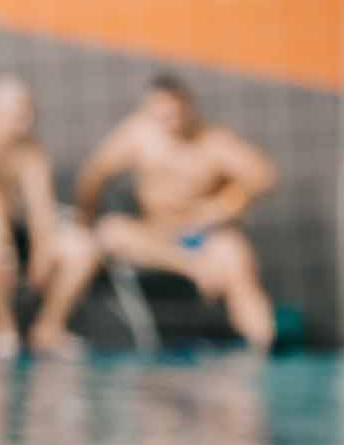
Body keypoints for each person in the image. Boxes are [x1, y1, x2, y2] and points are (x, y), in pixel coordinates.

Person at [75, 74, 277, 349]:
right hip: (159, 234)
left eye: (174, 115)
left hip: (203, 235)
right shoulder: (138, 135)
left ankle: (263, 345)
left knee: (236, 259)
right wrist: (84, 217)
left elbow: (264, 176)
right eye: (161, 116)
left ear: (189, 108)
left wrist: (225, 205)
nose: (169, 123)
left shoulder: (212, 141)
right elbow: (94, 173)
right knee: (112, 231)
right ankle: (196, 269)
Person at [0, 76, 101, 358]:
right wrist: (4, 250)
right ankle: (4, 331)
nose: (27, 122)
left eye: (30, 114)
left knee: (82, 247)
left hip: (16, 232)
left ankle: (48, 328)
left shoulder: (30, 149)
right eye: (18, 115)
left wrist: (44, 250)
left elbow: (42, 207)